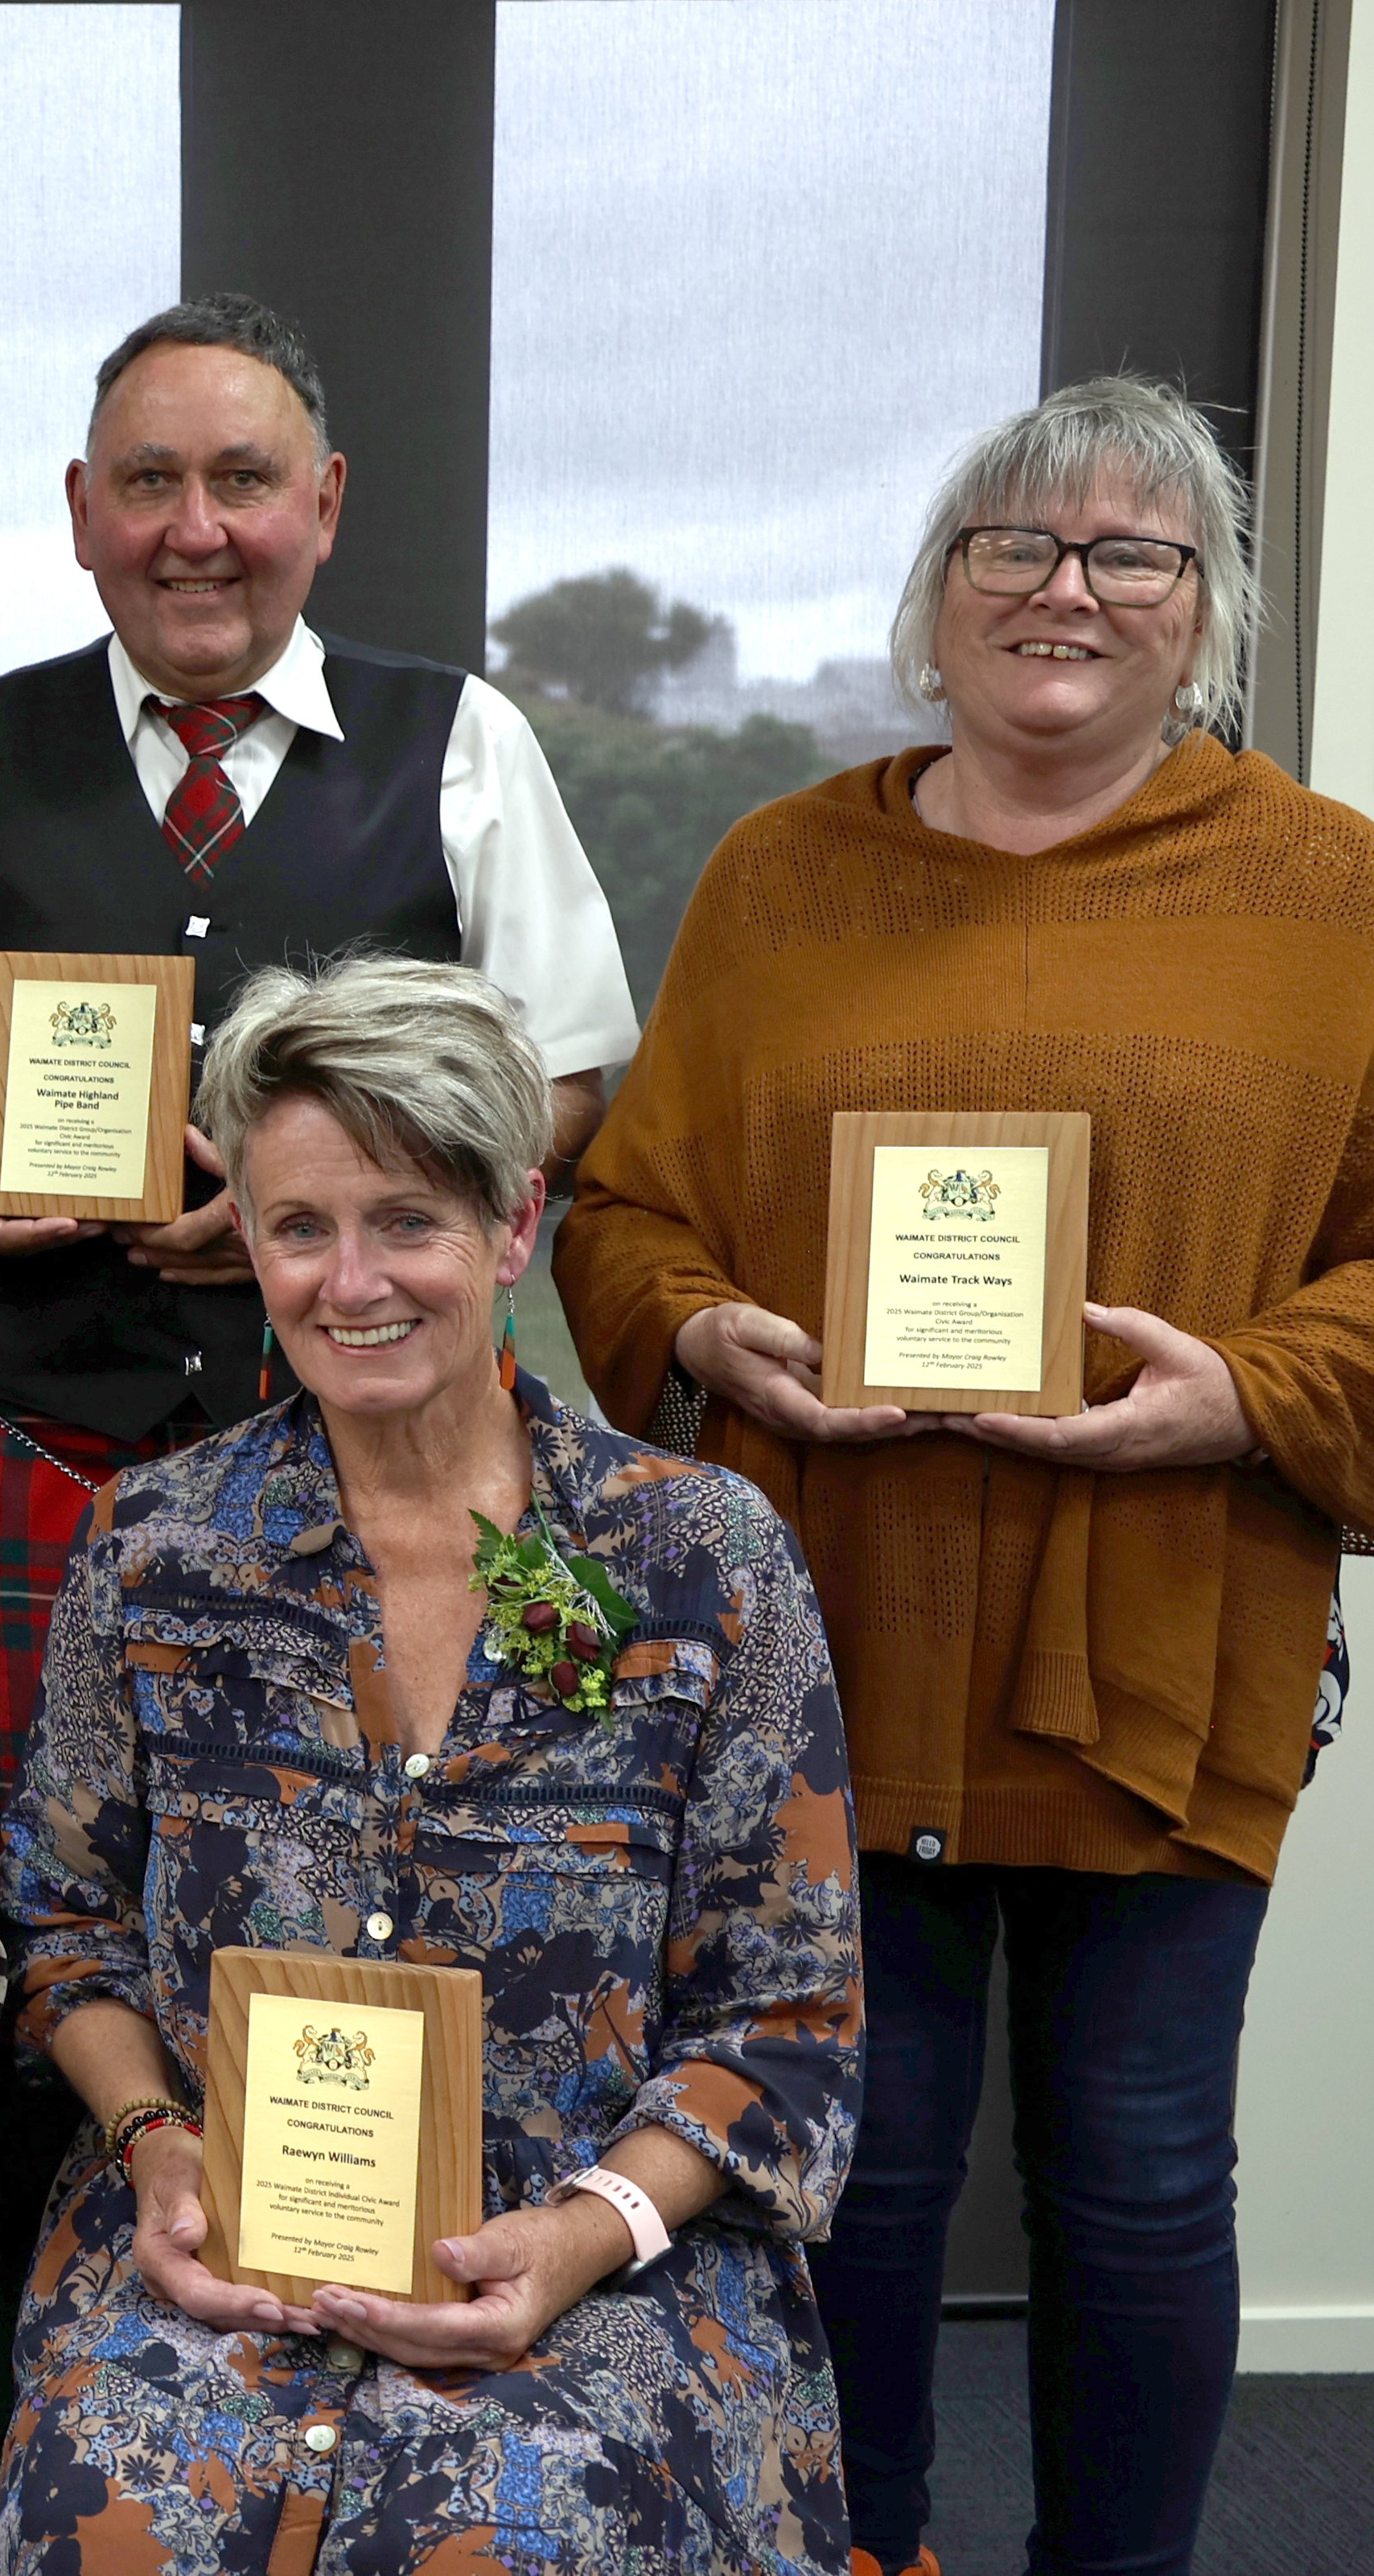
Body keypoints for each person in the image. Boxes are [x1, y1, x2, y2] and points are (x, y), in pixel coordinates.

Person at [556, 374, 1374, 2576]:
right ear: (935, 597)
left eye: (1131, 551)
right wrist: (710, 1329)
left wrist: (1252, 1384)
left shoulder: (1331, 890)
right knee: (858, 2162)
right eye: (1013, 543)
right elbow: (626, 1214)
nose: (1066, 587)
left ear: (1204, 608)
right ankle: (868, 2546)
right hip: (837, 1629)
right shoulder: (784, 870)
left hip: (1170, 1629)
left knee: (1130, 2170)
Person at [0, 292, 640, 2488]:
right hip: (44, 1445)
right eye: (149, 485)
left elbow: (564, 1065)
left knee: (398, 1922)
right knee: (38, 1946)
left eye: (242, 481)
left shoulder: (456, 739)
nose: (197, 528)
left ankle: (390, 2377)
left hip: (362, 1455)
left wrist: (323, 1208)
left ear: (323, 506)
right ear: (84, 516)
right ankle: (57, 2412)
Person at [0, 957, 860, 2573]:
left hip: (593, 2255)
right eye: (298, 1228)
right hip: (218, 2238)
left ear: (510, 1229)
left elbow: (783, 2014)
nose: (349, 1282)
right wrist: (150, 2145)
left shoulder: (698, 1555)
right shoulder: (155, 1546)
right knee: (110, 2526)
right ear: (244, 1243)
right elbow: (64, 1935)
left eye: (406, 1221)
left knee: (523, 2541)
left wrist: (578, 2238)